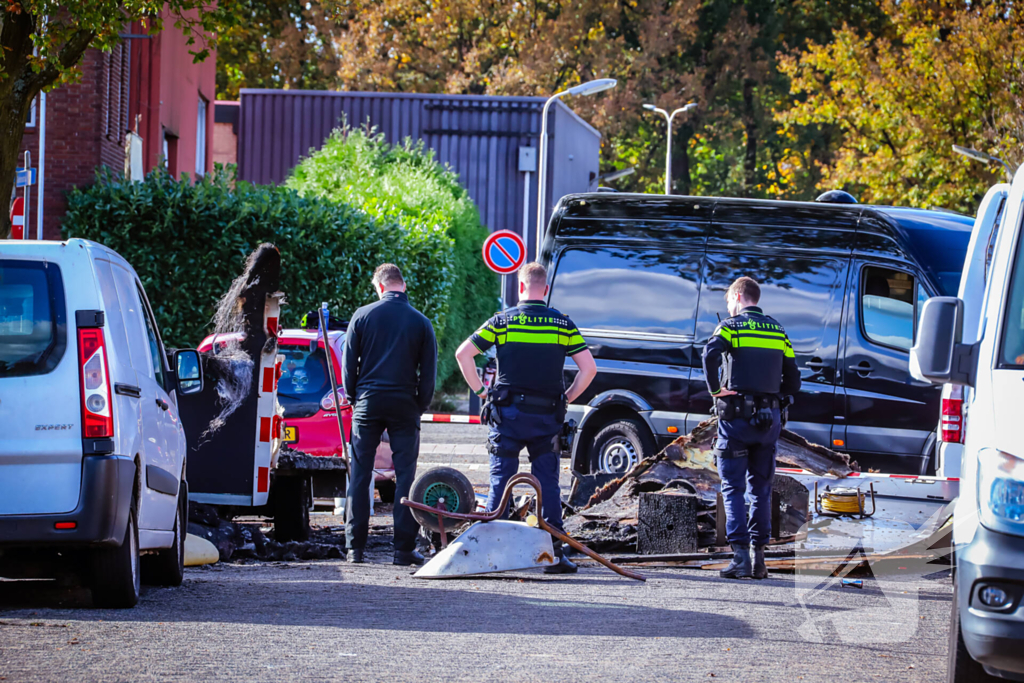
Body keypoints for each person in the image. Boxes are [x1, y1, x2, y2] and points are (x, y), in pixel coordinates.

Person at [455, 262, 597, 574]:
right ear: (545, 290)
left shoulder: (502, 322)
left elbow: (463, 354)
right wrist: (567, 397)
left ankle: (491, 555)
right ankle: (554, 555)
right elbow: (589, 369)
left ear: (520, 287)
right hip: (546, 419)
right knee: (547, 484)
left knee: (500, 480)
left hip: (507, 416)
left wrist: (481, 391)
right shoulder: (562, 324)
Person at [702, 276, 801, 580]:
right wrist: (775, 399)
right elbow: (794, 379)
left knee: (733, 487)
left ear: (737, 296)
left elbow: (709, 355)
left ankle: (740, 558)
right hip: (769, 422)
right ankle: (760, 561)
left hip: (736, 420)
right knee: (762, 490)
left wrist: (716, 390)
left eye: (728, 302)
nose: (728, 308)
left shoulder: (730, 327)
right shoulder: (778, 331)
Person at [342, 264, 437, 566]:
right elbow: (429, 375)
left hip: (368, 402)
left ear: (380, 287)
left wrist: (358, 399)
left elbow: (348, 369)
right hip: (404, 403)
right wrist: (418, 406)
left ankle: (354, 549)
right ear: (402, 286)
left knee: (359, 475)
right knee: (406, 477)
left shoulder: (362, 316)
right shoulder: (421, 323)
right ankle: (403, 549)